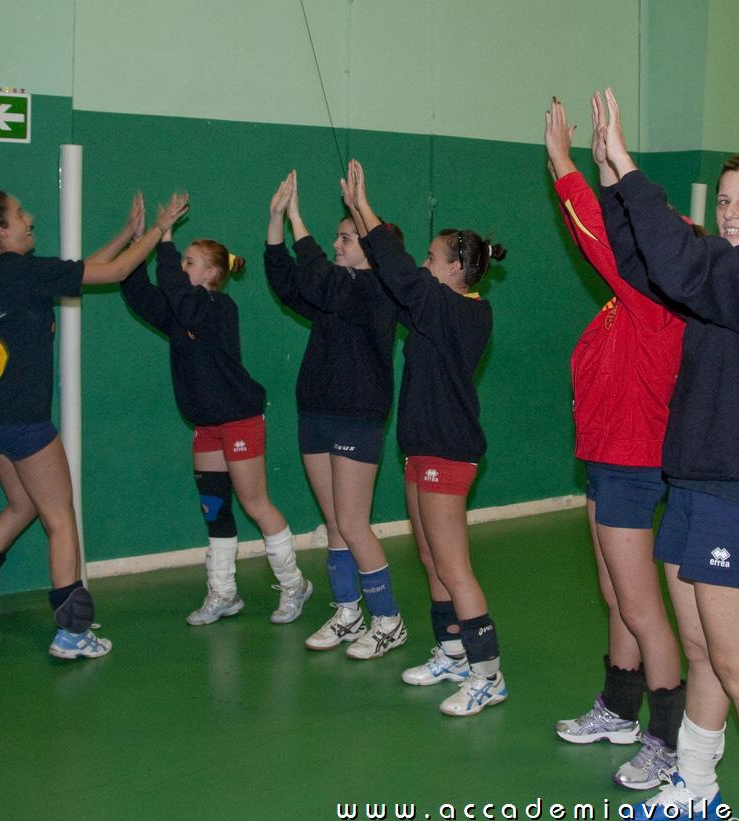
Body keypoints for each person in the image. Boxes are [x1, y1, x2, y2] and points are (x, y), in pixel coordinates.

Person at [598, 89, 739, 821]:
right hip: (693, 489)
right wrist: (610, 184)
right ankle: (693, 785)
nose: (730, 213)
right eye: (723, 201)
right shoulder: (720, 274)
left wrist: (631, 171)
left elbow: (684, 262)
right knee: (702, 655)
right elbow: (651, 263)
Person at [0, 189, 186, 658]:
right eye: (19, 214)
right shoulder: (22, 272)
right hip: (21, 420)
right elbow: (109, 274)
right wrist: (160, 227)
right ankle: (72, 630)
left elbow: (83, 268)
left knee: (21, 506)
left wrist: (124, 236)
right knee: (60, 518)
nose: (29, 218)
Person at [544, 96, 688, 789]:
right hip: (606, 463)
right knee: (615, 594)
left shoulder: (657, 300)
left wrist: (566, 167)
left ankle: (668, 738)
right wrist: (605, 170)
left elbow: (603, 241)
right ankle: (619, 707)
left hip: (633, 466)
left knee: (640, 606)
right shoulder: (624, 303)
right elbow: (619, 241)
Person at [340, 159, 509, 716]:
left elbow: (399, 272)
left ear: (457, 269)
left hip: (448, 451)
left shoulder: (459, 312)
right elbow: (396, 280)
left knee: (454, 564)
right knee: (432, 557)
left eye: (432, 258)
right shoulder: (437, 309)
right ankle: (452, 652)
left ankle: (488, 675)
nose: (422, 264)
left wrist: (365, 211)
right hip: (420, 449)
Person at [119, 202, 311, 626]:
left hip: (239, 419)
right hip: (206, 426)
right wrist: (140, 243)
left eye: (189, 262)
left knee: (255, 502)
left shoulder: (217, 309)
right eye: (181, 260)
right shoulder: (179, 310)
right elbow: (137, 293)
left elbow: (181, 300)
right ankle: (223, 593)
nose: (179, 266)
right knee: (215, 508)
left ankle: (294, 583)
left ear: (210, 274)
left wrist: (165, 241)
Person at [264, 170, 406, 657]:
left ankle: (388, 619)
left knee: (352, 521)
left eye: (346, 237)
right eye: (337, 237)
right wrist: (275, 221)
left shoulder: (379, 294)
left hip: (357, 416)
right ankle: (348, 612)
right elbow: (288, 284)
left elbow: (319, 274)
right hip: (316, 411)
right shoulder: (335, 289)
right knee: (333, 521)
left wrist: (299, 216)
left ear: (371, 247)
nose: (336, 243)